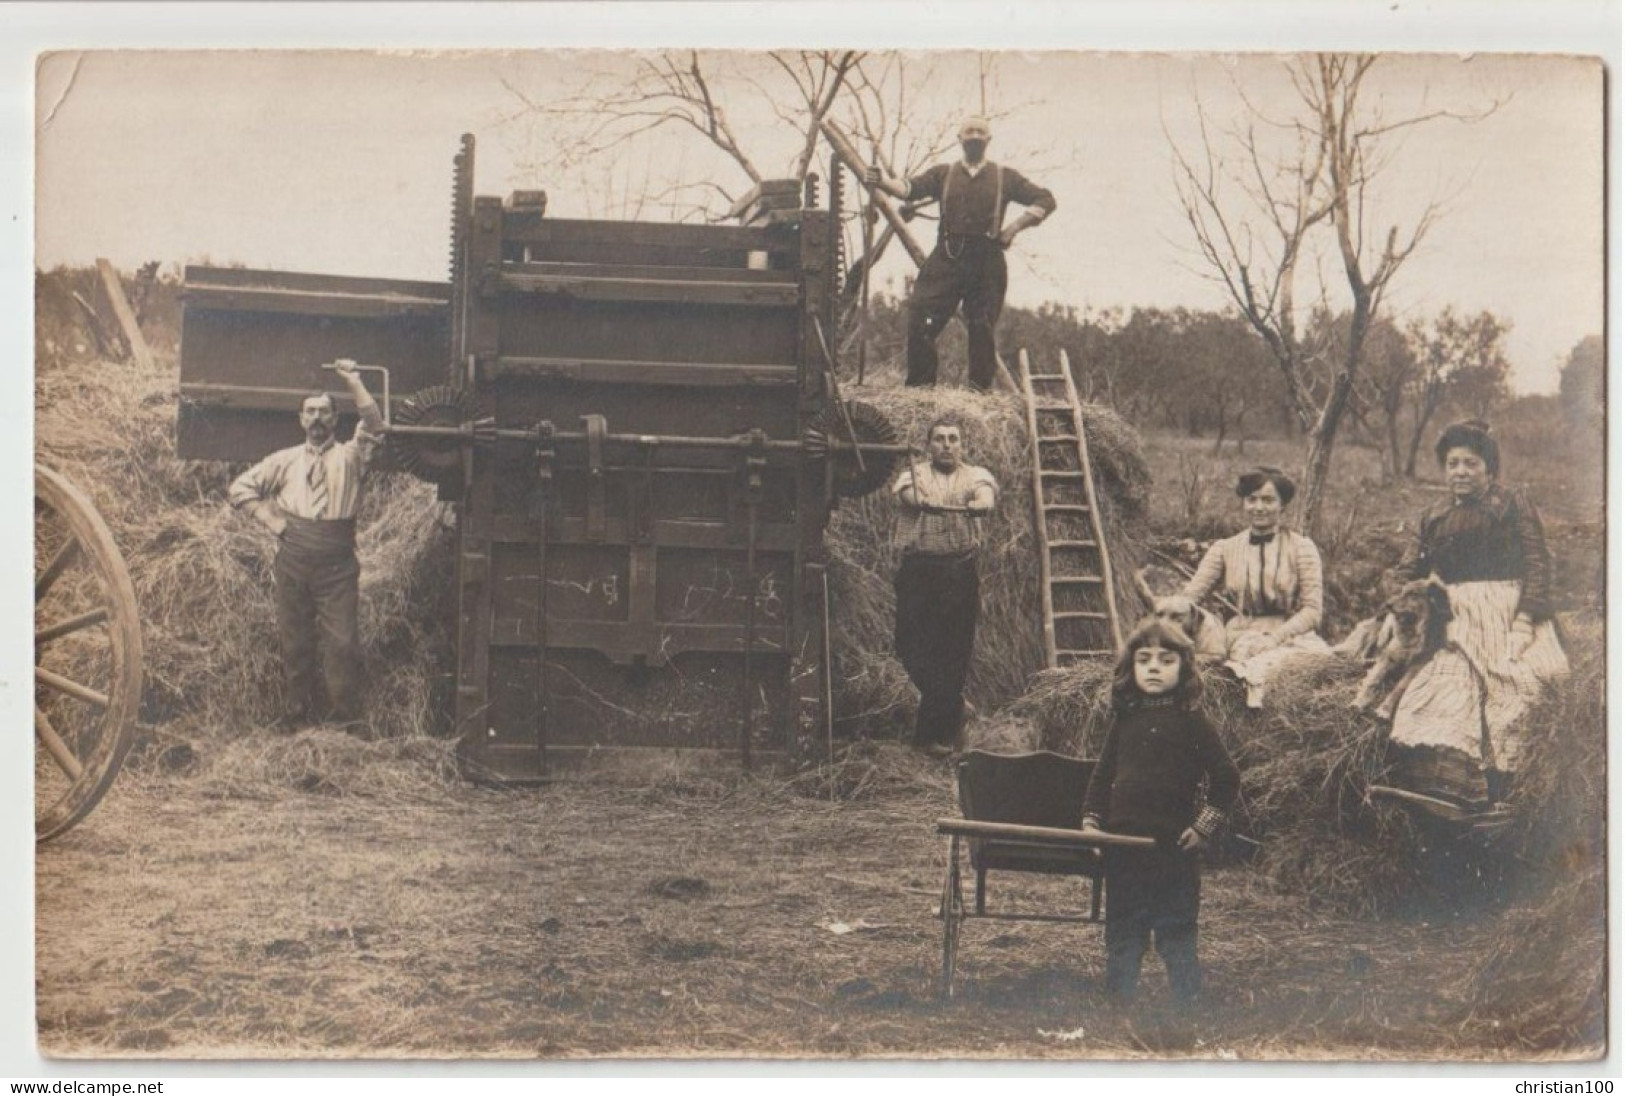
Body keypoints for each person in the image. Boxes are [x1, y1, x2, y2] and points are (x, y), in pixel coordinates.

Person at [1384, 420, 1569, 805]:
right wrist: (1403, 605)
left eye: (1470, 463)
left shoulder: (1512, 504)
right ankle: (1449, 793)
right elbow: (1405, 571)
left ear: (1488, 468)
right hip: (1456, 617)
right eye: (1453, 464)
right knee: (1440, 690)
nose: (1461, 472)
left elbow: (1538, 565)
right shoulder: (1432, 515)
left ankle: (1506, 794)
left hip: (1508, 613)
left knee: (1518, 686)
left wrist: (1524, 622)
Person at [1081, 618, 1240, 1007]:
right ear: (1130, 667)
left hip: (1173, 847)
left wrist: (1203, 828)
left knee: (1176, 927)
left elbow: (1226, 776)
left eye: (1166, 660)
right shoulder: (1126, 719)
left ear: (1184, 669)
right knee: (1123, 927)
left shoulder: (1191, 721)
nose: (1153, 667)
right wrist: (1091, 821)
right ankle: (1119, 1004)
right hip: (1123, 845)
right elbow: (1103, 775)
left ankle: (1187, 1004)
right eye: (1144, 659)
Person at [229, 362, 385, 729]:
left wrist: (353, 381)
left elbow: (375, 425)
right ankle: (297, 718)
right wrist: (272, 522)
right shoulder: (284, 461)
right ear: (301, 419)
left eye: (325, 412)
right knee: (295, 641)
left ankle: (343, 723)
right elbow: (239, 488)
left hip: (337, 564)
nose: (317, 418)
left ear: (335, 420)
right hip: (294, 560)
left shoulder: (352, 458)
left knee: (342, 644)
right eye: (310, 412)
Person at [865, 115, 1056, 390]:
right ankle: (921, 389)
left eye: (981, 132)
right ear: (960, 139)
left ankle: (978, 393)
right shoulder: (944, 174)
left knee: (981, 326)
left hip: (987, 260)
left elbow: (1046, 200)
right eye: (969, 132)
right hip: (948, 256)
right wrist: (882, 180)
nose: (975, 136)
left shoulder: (1005, 176)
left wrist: (1014, 227)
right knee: (921, 316)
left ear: (988, 140)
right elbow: (909, 188)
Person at [892, 418, 998, 757]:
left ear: (962, 445)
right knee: (909, 645)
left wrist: (981, 503)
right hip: (919, 571)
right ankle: (954, 706)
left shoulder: (974, 475)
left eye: (954, 439)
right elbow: (909, 494)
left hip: (958, 573)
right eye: (939, 439)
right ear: (929, 445)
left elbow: (985, 492)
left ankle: (930, 737)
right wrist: (921, 501)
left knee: (953, 652)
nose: (947, 445)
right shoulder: (916, 472)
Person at [1182, 466, 1329, 706]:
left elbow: (1313, 611)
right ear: (1243, 503)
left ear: (1282, 505)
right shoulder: (1224, 548)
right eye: (1252, 500)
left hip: (1290, 634)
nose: (1259, 507)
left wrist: (1275, 638)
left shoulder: (1302, 548)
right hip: (1242, 633)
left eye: (1268, 500)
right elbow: (1190, 597)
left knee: (1307, 674)